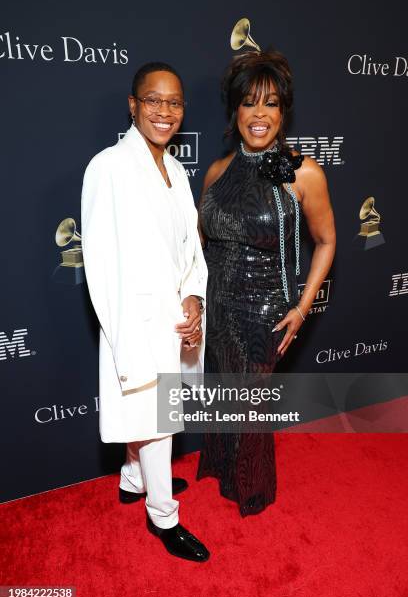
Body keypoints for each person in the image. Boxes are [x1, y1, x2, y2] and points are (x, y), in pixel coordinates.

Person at [197, 49, 336, 516]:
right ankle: (222, 470)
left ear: (283, 112)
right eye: (249, 103)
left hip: (263, 314)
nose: (259, 115)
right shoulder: (216, 172)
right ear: (235, 110)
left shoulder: (304, 172)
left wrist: (301, 307)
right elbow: (201, 242)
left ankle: (252, 491)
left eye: (271, 103)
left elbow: (327, 240)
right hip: (217, 310)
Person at [81, 62, 209, 561]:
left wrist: (196, 295)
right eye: (153, 100)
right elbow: (101, 264)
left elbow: (190, 250)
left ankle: (133, 478)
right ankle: (164, 517)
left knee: (158, 414)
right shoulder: (107, 167)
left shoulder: (176, 169)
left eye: (174, 102)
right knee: (154, 416)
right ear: (133, 105)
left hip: (177, 318)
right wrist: (125, 336)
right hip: (137, 323)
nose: (164, 111)